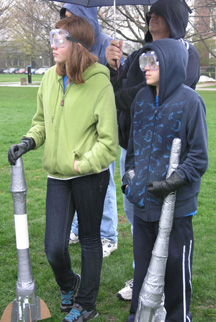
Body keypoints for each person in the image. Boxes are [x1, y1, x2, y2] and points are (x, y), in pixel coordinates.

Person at [8, 16, 118, 322]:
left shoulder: (100, 82)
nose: (52, 45)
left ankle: (87, 304)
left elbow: (109, 143)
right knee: (54, 247)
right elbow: (41, 121)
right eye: (52, 38)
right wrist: (29, 141)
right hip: (57, 177)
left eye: (59, 39)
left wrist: (81, 163)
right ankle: (69, 283)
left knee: (89, 240)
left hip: (89, 176)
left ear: (78, 45)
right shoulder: (49, 78)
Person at [105, 0, 200, 301]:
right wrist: (113, 67)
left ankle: (171, 285)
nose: (151, 17)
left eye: (160, 12)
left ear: (174, 18)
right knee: (139, 218)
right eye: (150, 13)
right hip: (134, 148)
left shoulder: (188, 54)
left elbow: (174, 88)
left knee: (169, 226)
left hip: (168, 154)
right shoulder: (136, 56)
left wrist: (135, 95)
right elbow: (117, 96)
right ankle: (142, 275)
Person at [122, 38, 208, 322]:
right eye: (144, 61)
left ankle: (178, 316)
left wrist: (171, 184)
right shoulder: (141, 99)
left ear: (170, 63)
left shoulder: (191, 102)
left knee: (175, 267)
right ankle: (140, 316)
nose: (145, 68)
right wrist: (129, 180)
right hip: (142, 203)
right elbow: (132, 149)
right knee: (143, 267)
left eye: (152, 62)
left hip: (177, 206)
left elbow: (198, 157)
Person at [60, 3, 123, 257]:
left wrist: (112, 64)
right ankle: (78, 227)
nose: (67, 21)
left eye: (71, 16)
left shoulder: (108, 44)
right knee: (77, 179)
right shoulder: (67, 43)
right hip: (77, 124)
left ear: (85, 17)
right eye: (64, 17)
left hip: (101, 124)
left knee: (103, 180)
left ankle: (108, 235)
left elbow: (113, 86)